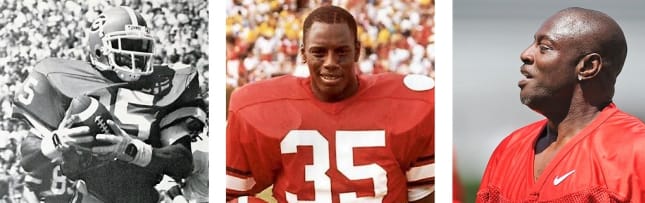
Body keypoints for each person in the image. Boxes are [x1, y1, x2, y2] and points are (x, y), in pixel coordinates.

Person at [226, 5, 435, 203]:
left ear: (356, 50)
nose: (330, 62)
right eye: (319, 52)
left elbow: (427, 195)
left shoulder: (411, 104)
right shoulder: (259, 107)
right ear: (303, 53)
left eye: (341, 52)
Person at [13, 6, 207, 203]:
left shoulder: (165, 87)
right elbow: (29, 159)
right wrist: (57, 140)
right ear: (99, 50)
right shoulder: (64, 82)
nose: (137, 54)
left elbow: (182, 162)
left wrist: (132, 150)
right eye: (127, 45)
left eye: (142, 46)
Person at [477, 7, 645, 202]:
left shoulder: (643, 153)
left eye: (545, 48)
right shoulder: (509, 149)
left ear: (588, 67)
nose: (526, 54)